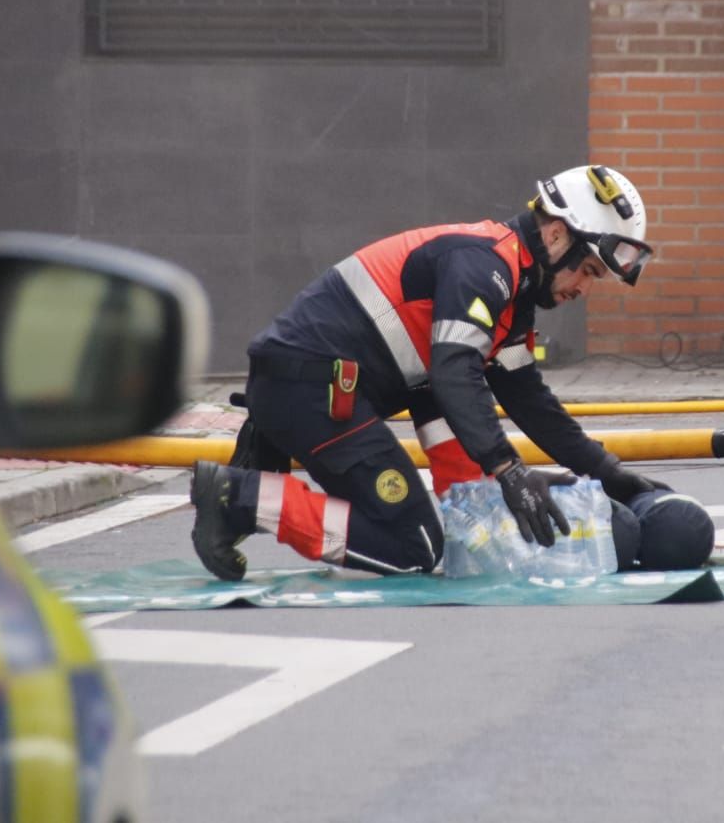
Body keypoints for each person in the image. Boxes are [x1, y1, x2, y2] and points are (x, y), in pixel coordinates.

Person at [189, 164, 671, 581]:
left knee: (456, 463)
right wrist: (509, 470)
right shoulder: (485, 266)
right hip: (310, 390)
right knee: (415, 545)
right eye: (587, 270)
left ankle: (249, 501)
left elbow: (529, 401)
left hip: (317, 387)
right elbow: (453, 373)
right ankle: (240, 497)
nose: (585, 288)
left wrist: (610, 474)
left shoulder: (512, 290)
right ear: (556, 234)